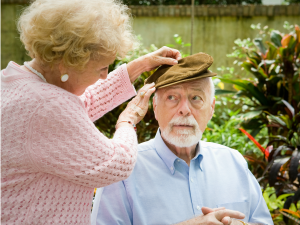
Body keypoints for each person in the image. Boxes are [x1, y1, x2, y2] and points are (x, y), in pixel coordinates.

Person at [0, 0, 182, 224]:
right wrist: (128, 121)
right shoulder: (48, 106)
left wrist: (140, 66)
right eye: (102, 68)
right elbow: (118, 163)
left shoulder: (15, 81)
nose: (105, 75)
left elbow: (80, 104)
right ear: (68, 62)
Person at [93, 53, 274, 225]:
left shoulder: (234, 162)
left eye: (196, 98)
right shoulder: (122, 172)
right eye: (172, 97)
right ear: (155, 107)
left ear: (211, 108)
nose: (184, 109)